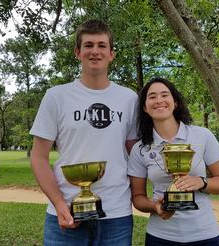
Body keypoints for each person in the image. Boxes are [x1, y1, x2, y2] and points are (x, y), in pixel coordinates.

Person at [29, 19, 138, 246]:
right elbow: (38, 157)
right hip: (66, 212)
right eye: (88, 45)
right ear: (78, 52)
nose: (95, 51)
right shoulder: (56, 96)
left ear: (111, 54)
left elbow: (136, 155)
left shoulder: (129, 99)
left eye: (101, 45)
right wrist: (59, 204)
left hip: (115, 215)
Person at [128, 77, 219, 245]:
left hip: (205, 235)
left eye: (164, 95)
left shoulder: (202, 136)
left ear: (175, 102)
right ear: (145, 108)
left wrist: (201, 182)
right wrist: (155, 207)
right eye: (152, 97)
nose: (159, 100)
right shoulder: (140, 149)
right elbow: (138, 197)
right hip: (160, 237)